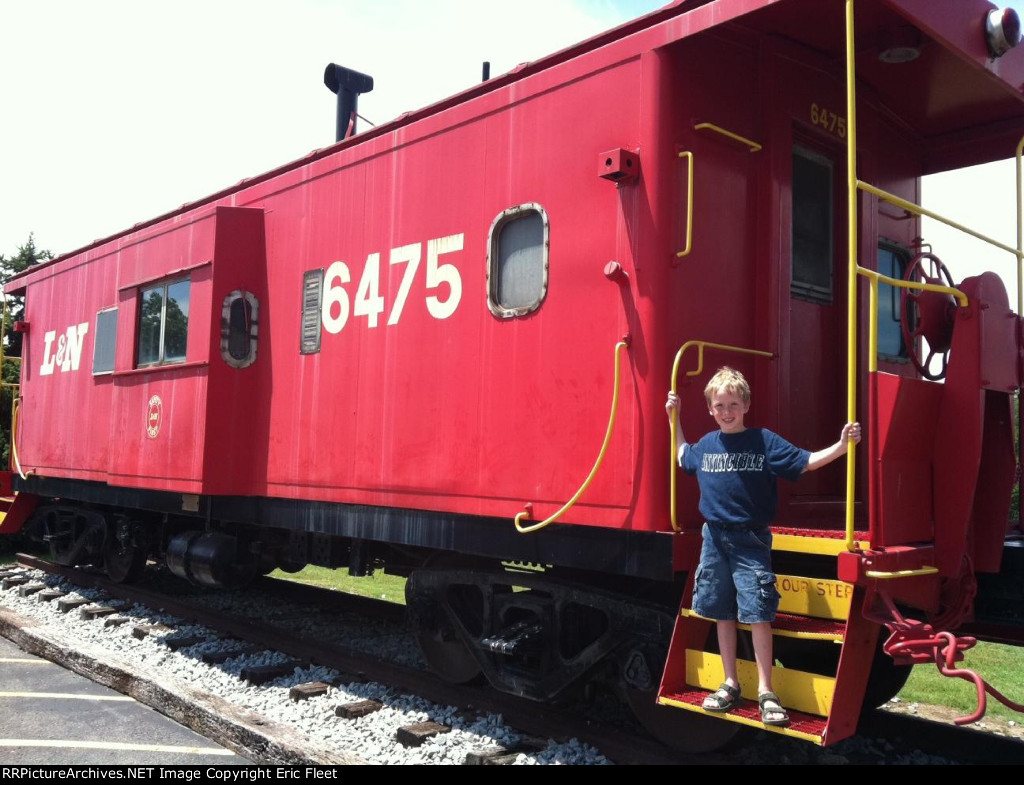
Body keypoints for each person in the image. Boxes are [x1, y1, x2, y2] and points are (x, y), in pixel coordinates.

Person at [665, 366, 861, 726]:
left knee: (757, 613)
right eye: (720, 405)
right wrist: (673, 417)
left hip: (750, 539)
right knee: (722, 611)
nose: (727, 411)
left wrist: (842, 446)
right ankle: (730, 683)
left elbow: (806, 462)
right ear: (710, 409)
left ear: (746, 405)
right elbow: (681, 454)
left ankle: (767, 691)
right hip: (714, 539)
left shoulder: (763, 441)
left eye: (733, 404)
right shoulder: (706, 445)